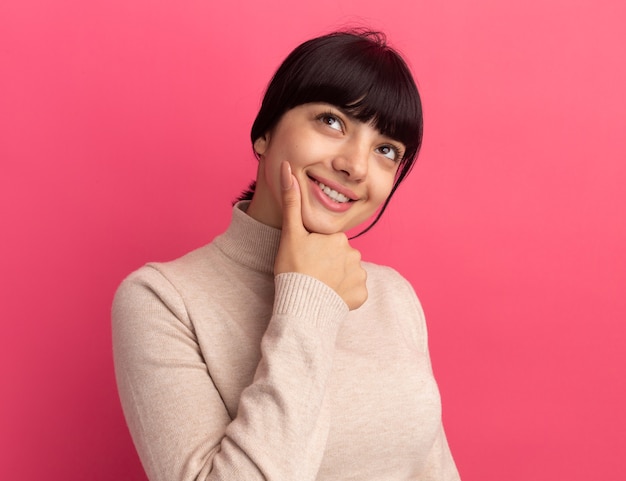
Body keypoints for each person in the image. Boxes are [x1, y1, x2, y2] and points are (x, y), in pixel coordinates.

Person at [112, 30, 461, 481]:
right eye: (332, 121)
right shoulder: (162, 301)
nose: (355, 165)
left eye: (386, 150)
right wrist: (309, 300)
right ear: (265, 132)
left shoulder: (394, 296)